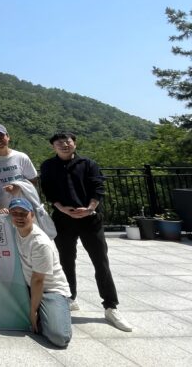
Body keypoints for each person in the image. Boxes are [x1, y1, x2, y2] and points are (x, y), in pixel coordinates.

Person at [40, 131, 132, 332]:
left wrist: (90, 208)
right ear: (53, 147)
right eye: (59, 143)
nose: (64, 145)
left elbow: (98, 188)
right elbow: (48, 191)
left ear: (74, 143)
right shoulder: (48, 165)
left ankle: (110, 306)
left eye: (68, 141)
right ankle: (70, 298)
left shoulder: (88, 164)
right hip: (63, 219)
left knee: (100, 262)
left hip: (90, 219)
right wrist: (63, 209)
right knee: (65, 260)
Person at [8, 198, 72, 348]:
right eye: (14, 213)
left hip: (50, 290)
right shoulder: (14, 229)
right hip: (29, 287)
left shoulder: (40, 242)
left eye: (23, 213)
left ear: (32, 215)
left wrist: (33, 311)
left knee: (59, 337)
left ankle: (53, 312)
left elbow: (38, 280)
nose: (19, 217)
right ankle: (45, 314)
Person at [0, 123, 38, 213]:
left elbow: (33, 180)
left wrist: (19, 187)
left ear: (8, 137)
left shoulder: (21, 157)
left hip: (23, 210)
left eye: (1, 136)